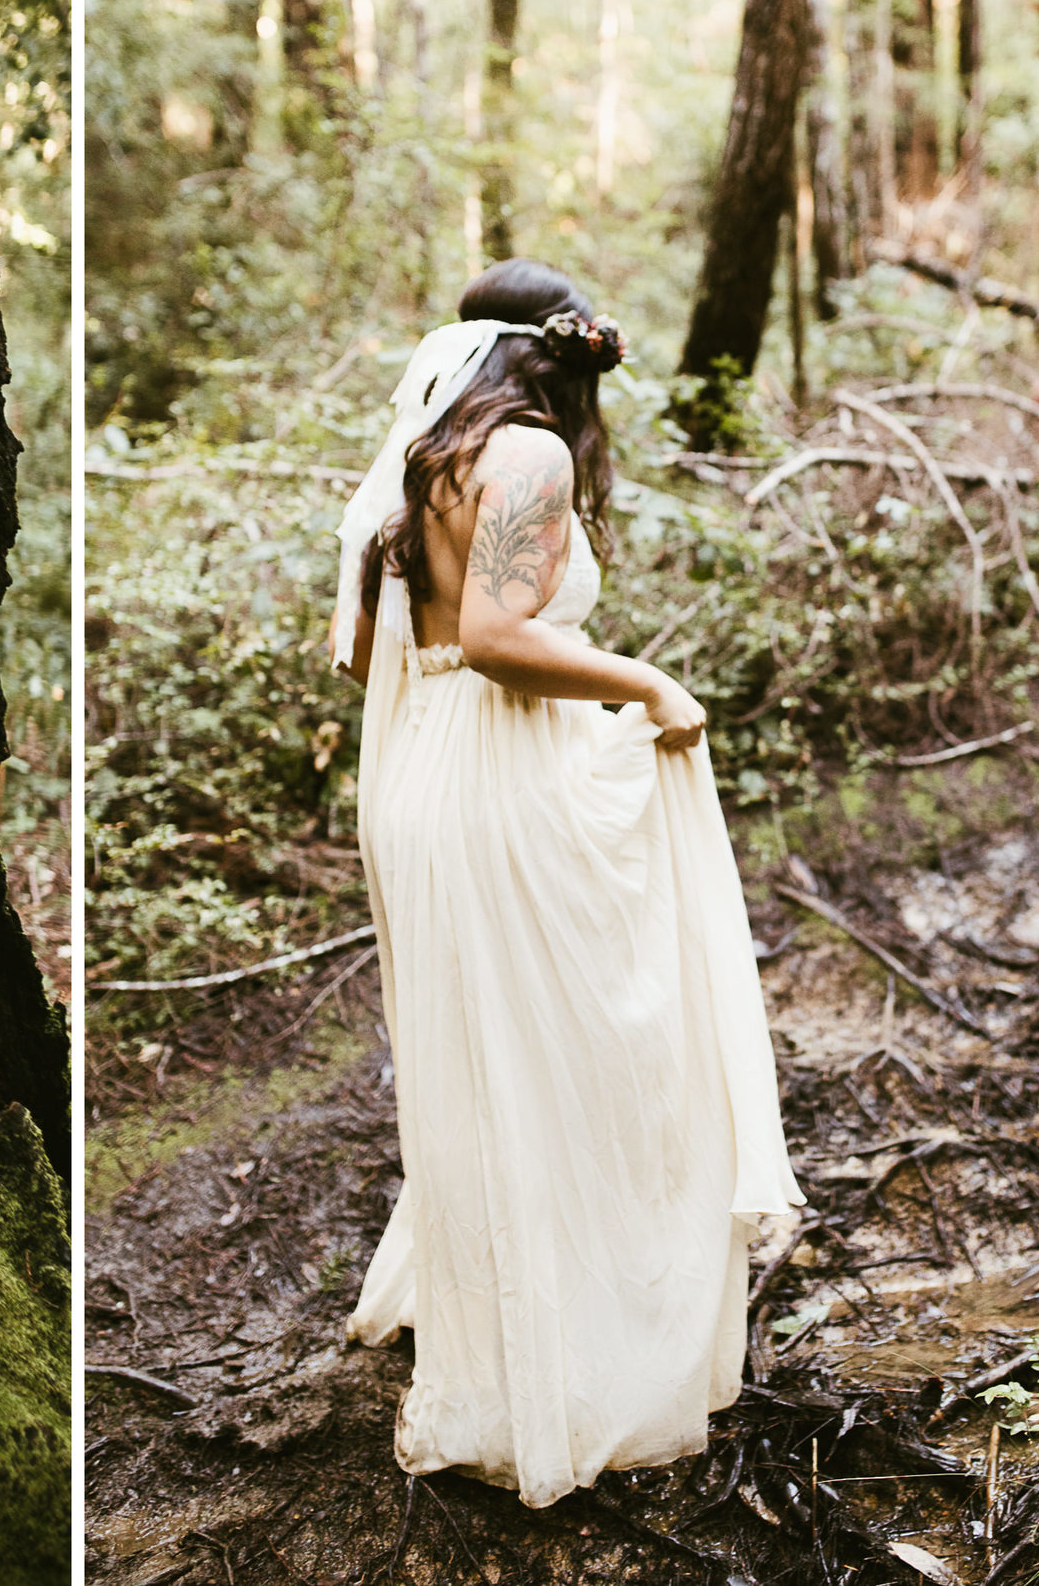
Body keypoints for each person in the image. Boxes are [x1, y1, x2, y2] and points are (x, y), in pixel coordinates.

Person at [330, 258, 803, 1508]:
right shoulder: (527, 456)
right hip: (500, 789)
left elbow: (368, 648)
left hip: (423, 779)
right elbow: (497, 642)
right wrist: (644, 685)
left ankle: (504, 1340)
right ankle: (566, 1365)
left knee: (487, 1061)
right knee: (583, 1053)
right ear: (560, 357)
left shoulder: (423, 453)